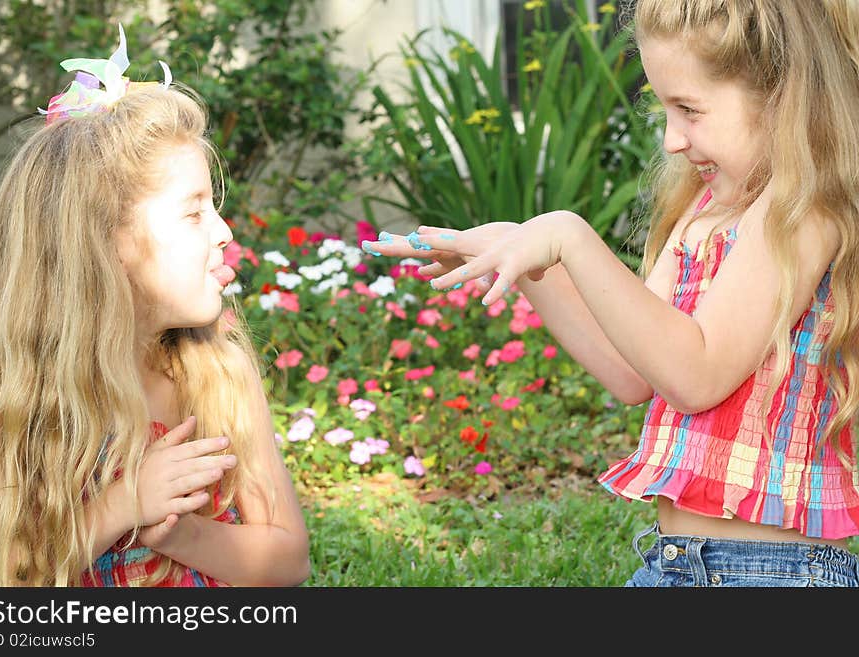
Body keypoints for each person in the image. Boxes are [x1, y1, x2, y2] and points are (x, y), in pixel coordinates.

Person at [363, 0, 859, 586]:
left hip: (775, 574)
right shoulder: (705, 212)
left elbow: (696, 375)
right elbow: (634, 372)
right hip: (675, 564)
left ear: (781, 96)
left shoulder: (803, 213)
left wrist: (570, 235)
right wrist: (529, 260)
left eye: (689, 110)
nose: (673, 139)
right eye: (664, 109)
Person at [0, 25, 310, 586]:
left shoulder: (218, 370)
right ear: (109, 240)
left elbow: (287, 563)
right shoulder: (6, 382)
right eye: (194, 212)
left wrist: (177, 531)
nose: (225, 231)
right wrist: (119, 507)